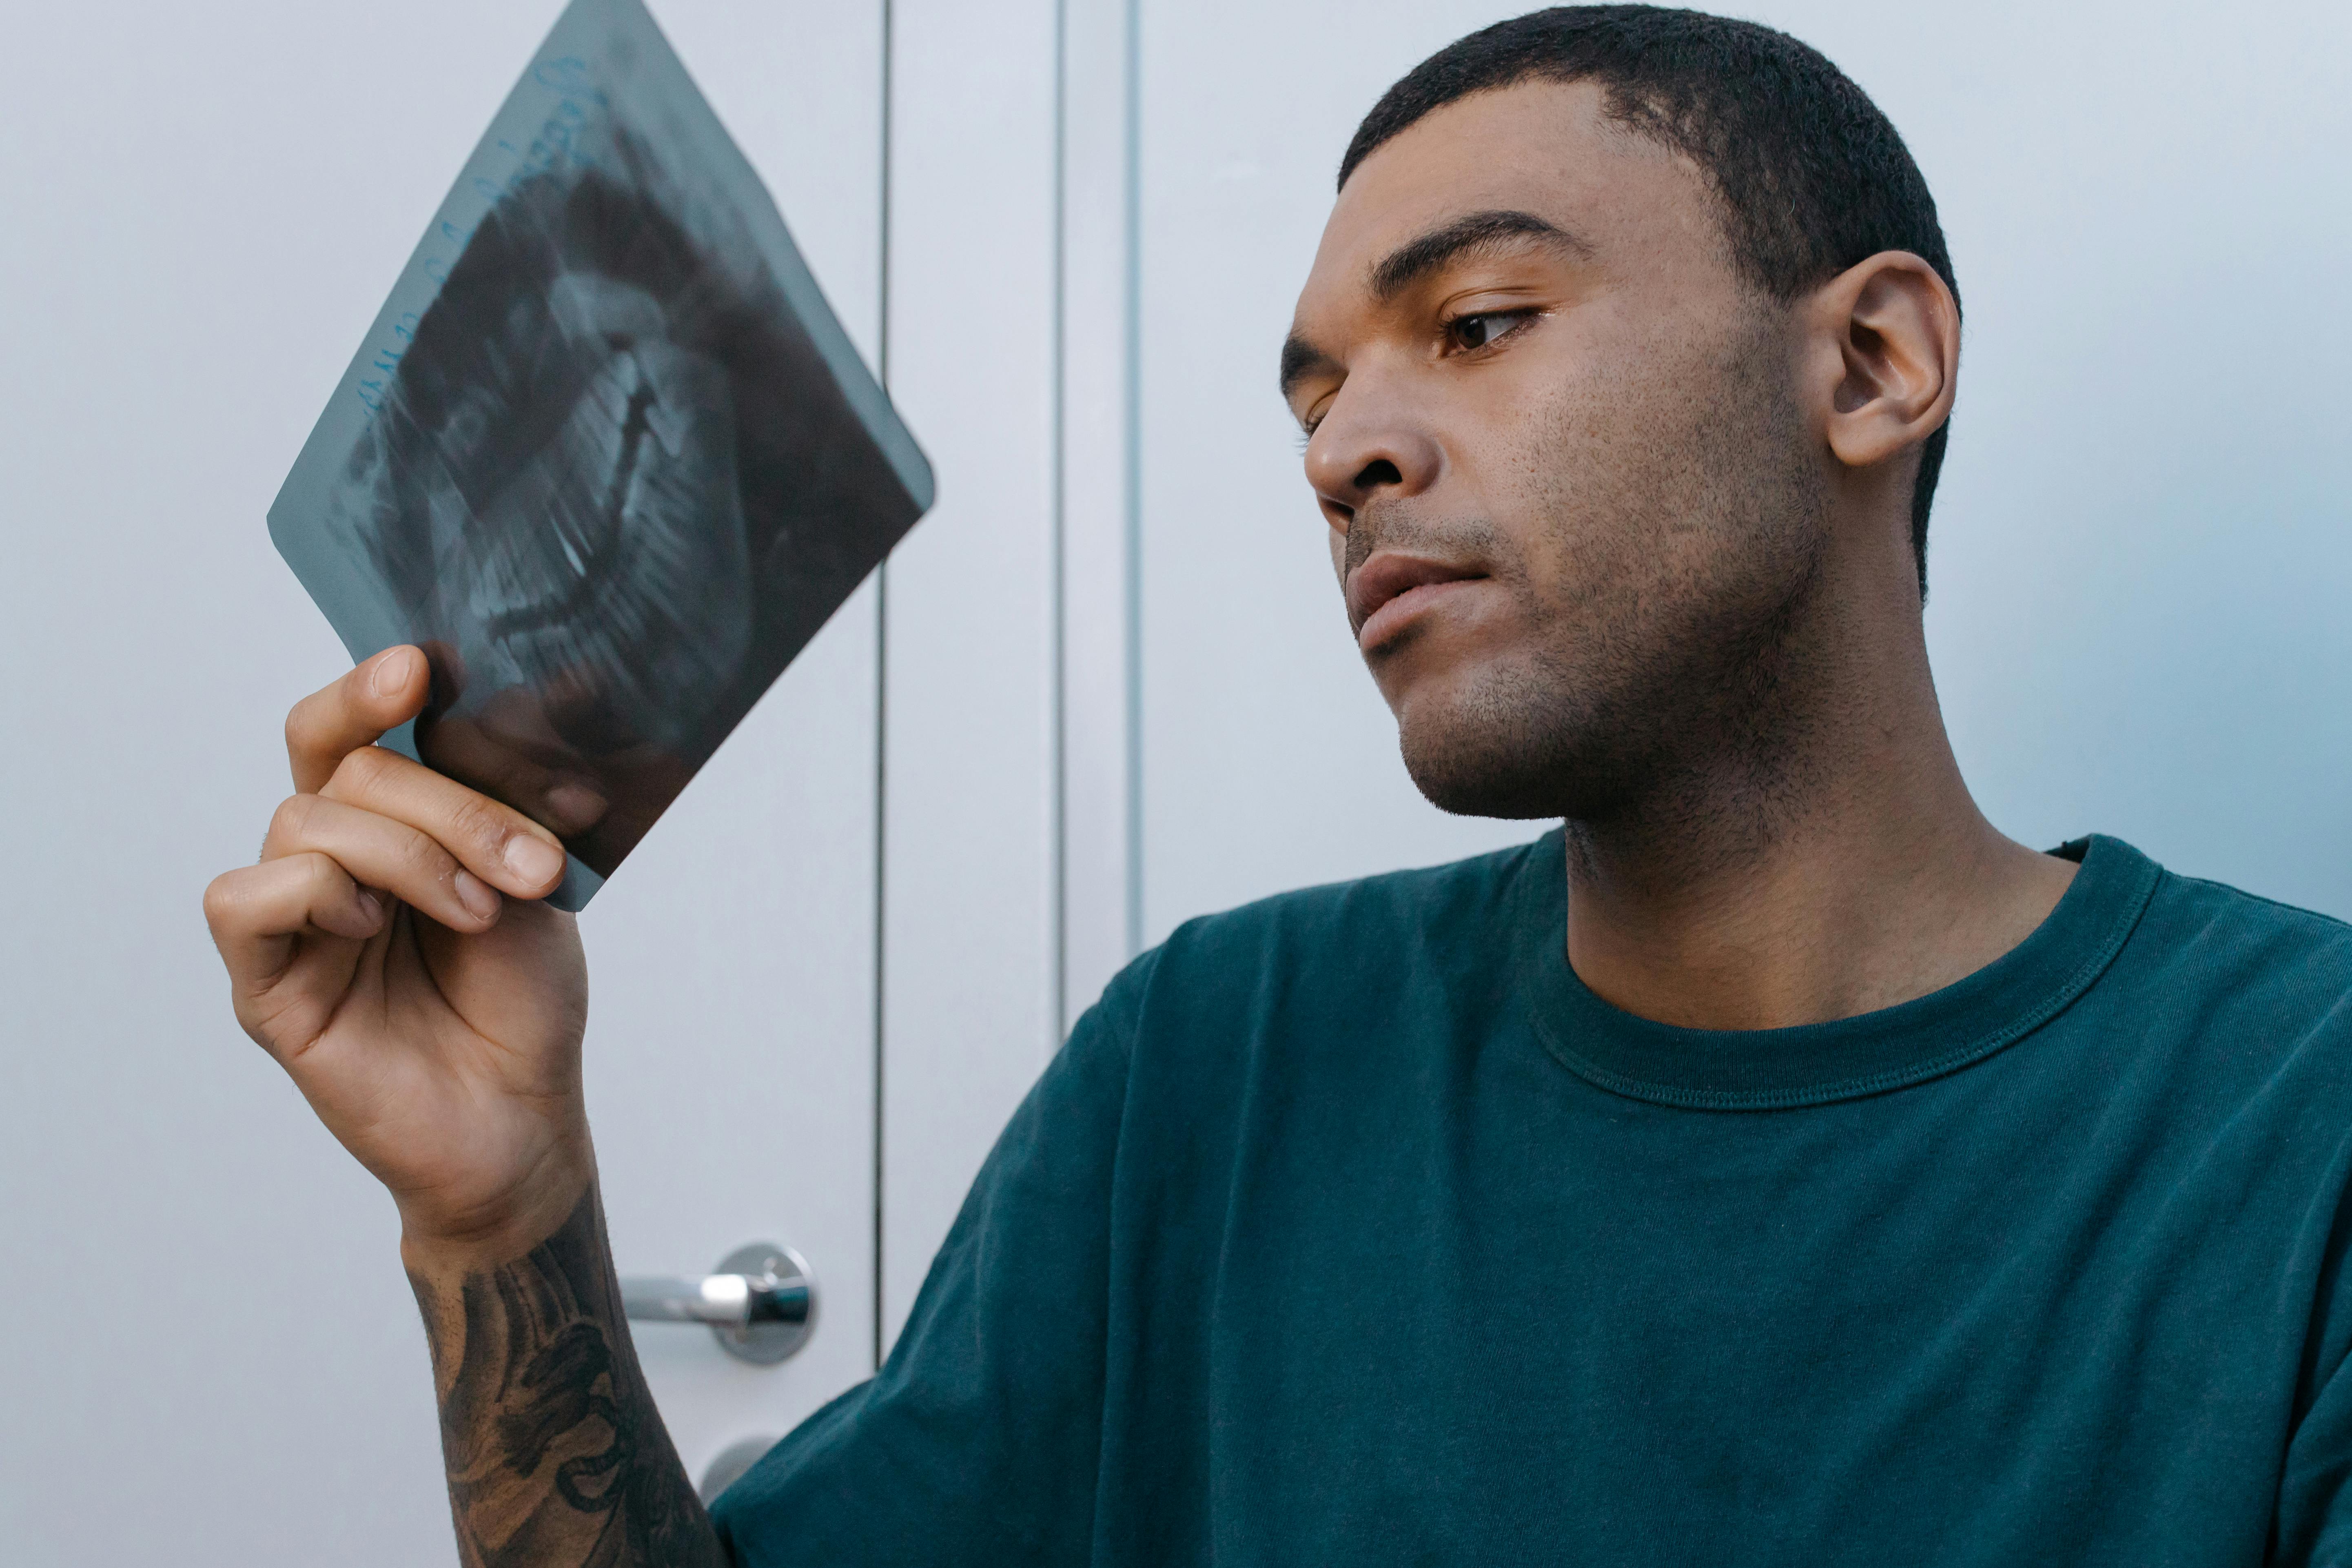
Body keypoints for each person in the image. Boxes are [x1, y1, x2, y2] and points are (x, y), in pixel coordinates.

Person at [202, 6, 2352, 1564]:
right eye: (1312, 397)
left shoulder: (2302, 1117)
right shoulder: (1204, 1071)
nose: (1342, 453)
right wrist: (498, 1216)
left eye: (1477, 322)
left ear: (1872, 363)